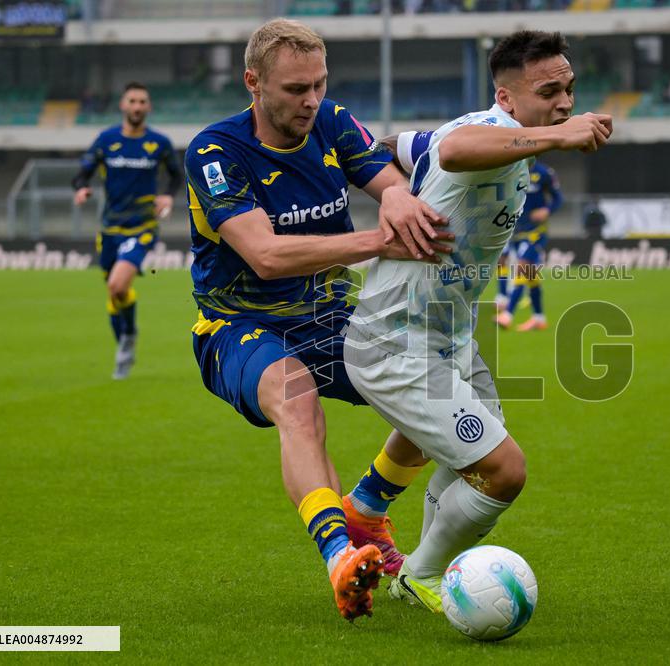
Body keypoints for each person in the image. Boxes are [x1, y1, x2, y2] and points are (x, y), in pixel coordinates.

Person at [184, 19, 451, 622]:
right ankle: (340, 556)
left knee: (438, 385)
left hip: (330, 318)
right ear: (253, 83)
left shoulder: (332, 120)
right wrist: (379, 241)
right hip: (238, 325)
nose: (311, 100)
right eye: (295, 89)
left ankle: (367, 509)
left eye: (319, 84)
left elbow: (388, 182)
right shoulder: (214, 151)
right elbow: (266, 255)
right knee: (297, 398)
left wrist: (398, 197)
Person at [340, 30, 612, 612]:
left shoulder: (491, 135)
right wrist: (558, 135)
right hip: (395, 338)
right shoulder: (484, 133)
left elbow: (402, 146)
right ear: (506, 99)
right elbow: (455, 150)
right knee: (504, 470)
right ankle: (421, 573)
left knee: (474, 461)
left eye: (569, 89)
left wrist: (363, 173)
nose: (566, 102)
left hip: (449, 334)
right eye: (549, 92)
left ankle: (374, 517)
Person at [72, 81, 182, 379]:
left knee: (118, 285)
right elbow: (82, 174)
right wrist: (81, 189)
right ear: (123, 105)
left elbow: (176, 176)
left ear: (149, 107)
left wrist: (167, 196)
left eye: (142, 102)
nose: (137, 106)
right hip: (110, 229)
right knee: (115, 294)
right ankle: (124, 344)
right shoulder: (106, 140)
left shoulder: (159, 143)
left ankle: (129, 336)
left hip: (142, 227)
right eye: (132, 101)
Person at [496, 159, 562, 331]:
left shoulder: (544, 172)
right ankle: (539, 318)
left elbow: (558, 198)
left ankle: (508, 313)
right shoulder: (511, 170)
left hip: (536, 231)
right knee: (530, 275)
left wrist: (547, 210)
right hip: (515, 229)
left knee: (523, 266)